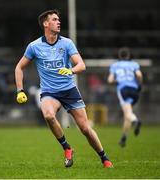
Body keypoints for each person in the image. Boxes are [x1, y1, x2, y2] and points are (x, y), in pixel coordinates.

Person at [15, 9, 113, 168]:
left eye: (58, 19)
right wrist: (20, 90)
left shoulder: (67, 43)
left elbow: (81, 65)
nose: (58, 22)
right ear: (46, 24)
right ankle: (67, 148)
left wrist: (71, 70)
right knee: (48, 115)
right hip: (49, 92)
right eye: (54, 19)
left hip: (69, 90)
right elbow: (19, 67)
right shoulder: (34, 46)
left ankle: (104, 158)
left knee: (85, 129)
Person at [107, 47, 143, 147]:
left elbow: (110, 80)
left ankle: (135, 121)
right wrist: (139, 85)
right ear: (128, 55)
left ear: (119, 56)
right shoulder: (134, 64)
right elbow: (139, 75)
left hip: (123, 89)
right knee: (128, 113)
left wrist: (117, 81)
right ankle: (124, 137)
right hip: (134, 90)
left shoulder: (115, 65)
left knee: (128, 113)